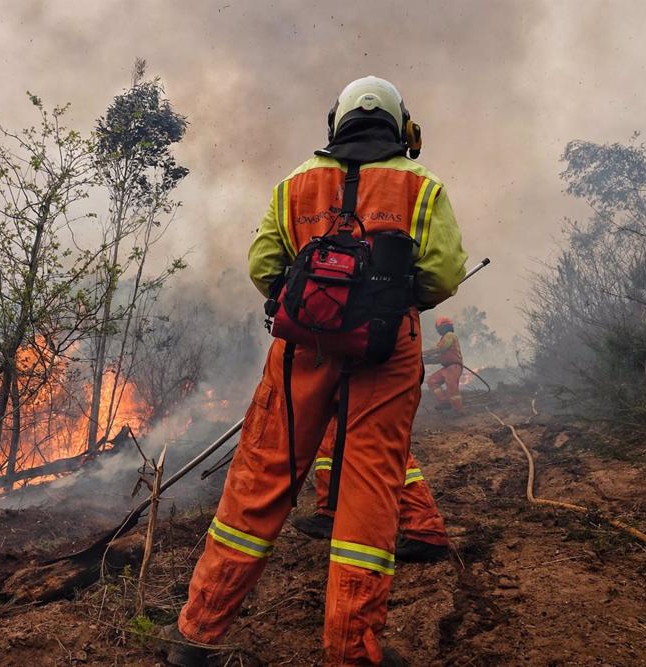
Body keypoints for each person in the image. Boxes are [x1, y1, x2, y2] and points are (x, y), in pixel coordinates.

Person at [158, 76, 467, 666]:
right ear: (404, 128)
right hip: (386, 355)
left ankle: (195, 636)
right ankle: (351, 650)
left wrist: (313, 313)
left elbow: (263, 267)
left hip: (302, 351)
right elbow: (442, 274)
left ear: (336, 122)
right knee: (371, 488)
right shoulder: (422, 187)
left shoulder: (294, 183)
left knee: (260, 482)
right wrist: (386, 311)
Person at [292, 420, 451, 563]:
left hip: (371, 392)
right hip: (353, 391)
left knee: (378, 445)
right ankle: (331, 511)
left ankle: (425, 531)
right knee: (334, 435)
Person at [424, 316, 464, 414]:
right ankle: (444, 402)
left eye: (438, 328)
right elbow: (439, 357)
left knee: (452, 387)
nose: (438, 331)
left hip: (454, 366)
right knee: (432, 381)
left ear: (442, 327)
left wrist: (422, 353)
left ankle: (459, 411)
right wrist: (424, 360)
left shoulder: (450, 335)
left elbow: (440, 349)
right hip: (446, 368)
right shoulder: (444, 338)